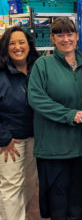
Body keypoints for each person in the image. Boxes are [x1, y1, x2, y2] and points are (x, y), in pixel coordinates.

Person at [28, 17, 82, 220]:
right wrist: (69, 114)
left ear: (76, 36)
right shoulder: (43, 65)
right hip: (54, 150)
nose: (66, 38)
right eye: (59, 34)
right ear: (52, 39)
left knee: (77, 204)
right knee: (58, 205)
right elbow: (36, 99)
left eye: (70, 33)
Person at [0, 26, 39, 220]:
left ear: (29, 45)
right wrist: (4, 137)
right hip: (11, 143)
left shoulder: (37, 68)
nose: (17, 47)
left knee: (29, 185)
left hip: (35, 138)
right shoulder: (2, 74)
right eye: (12, 43)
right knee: (11, 187)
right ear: (5, 48)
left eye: (21, 42)